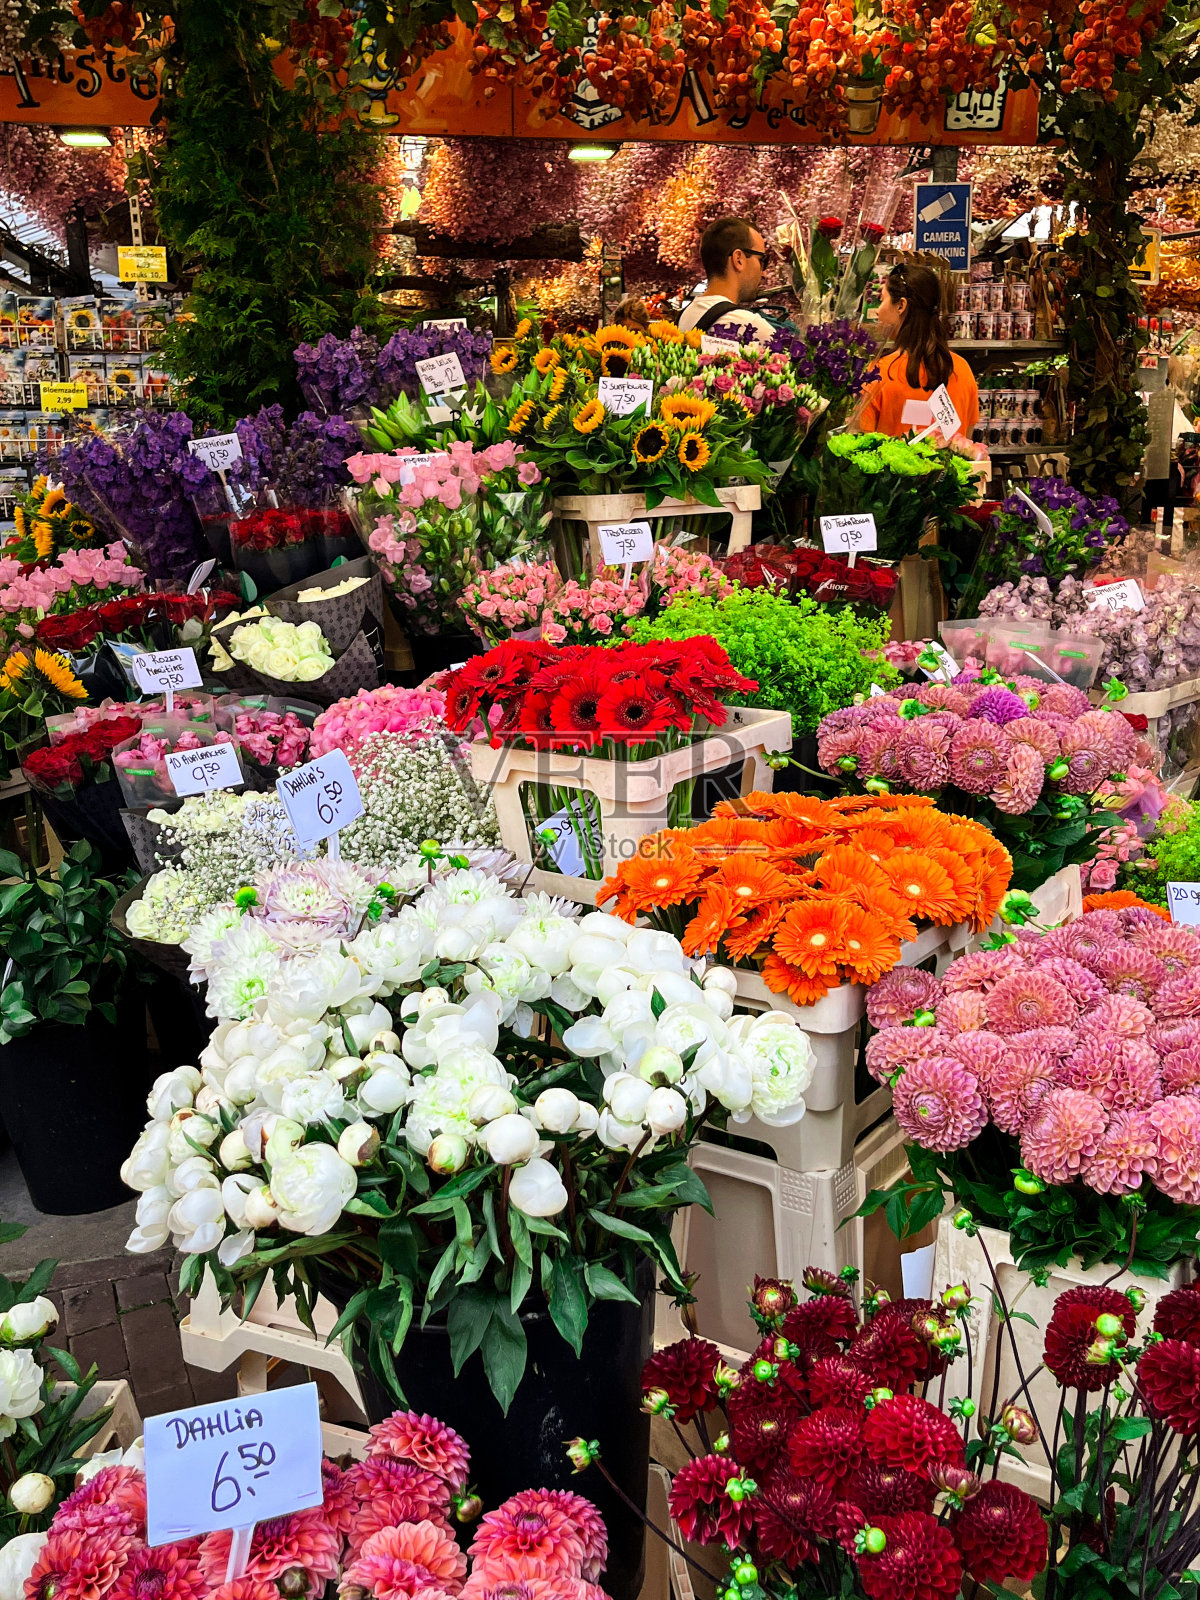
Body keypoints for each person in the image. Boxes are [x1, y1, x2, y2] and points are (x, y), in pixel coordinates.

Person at [856, 261, 979, 439]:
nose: (877, 311)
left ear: (901, 305)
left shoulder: (879, 374)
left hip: (890, 466)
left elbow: (860, 444)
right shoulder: (962, 370)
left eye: (882, 300)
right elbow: (967, 445)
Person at [678, 216, 776, 340]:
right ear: (738, 259)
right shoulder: (751, 328)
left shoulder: (684, 316)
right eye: (762, 260)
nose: (764, 273)